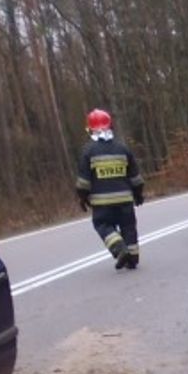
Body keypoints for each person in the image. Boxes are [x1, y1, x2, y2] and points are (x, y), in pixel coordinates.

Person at [76, 109, 144, 269]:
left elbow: (83, 182)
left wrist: (82, 198)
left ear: (90, 129)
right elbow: (135, 177)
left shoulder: (88, 151)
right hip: (125, 200)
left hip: (102, 203)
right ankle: (133, 257)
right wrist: (138, 194)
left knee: (103, 225)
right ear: (110, 126)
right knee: (128, 227)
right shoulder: (123, 148)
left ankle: (119, 248)